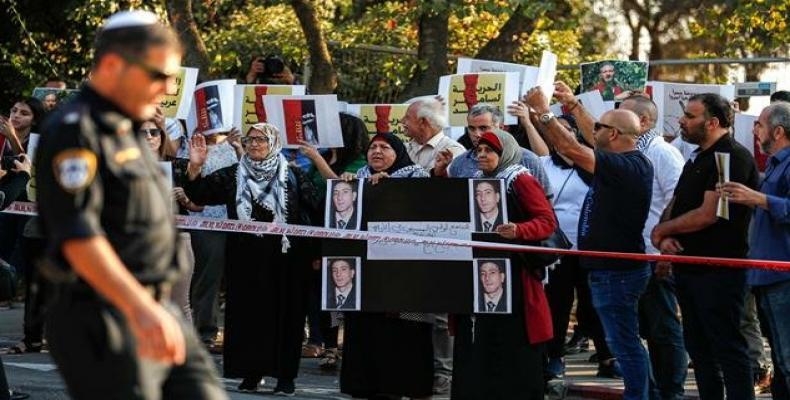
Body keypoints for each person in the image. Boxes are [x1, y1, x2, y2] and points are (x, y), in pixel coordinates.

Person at [34, 10, 227, 400]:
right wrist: (140, 310)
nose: (167, 87)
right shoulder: (77, 129)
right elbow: (78, 236)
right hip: (104, 314)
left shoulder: (129, 129)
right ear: (111, 65)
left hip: (154, 307)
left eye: (172, 77)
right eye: (157, 75)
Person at [526, 85, 654, 400]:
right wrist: (573, 106)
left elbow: (571, 149)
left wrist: (544, 113)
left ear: (613, 135)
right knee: (624, 341)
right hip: (608, 269)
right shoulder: (617, 154)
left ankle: (640, 395)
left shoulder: (628, 166)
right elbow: (591, 136)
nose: (592, 130)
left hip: (617, 271)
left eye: (599, 127)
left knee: (624, 343)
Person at [182, 122, 320, 395]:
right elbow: (199, 195)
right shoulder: (234, 174)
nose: (254, 144)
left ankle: (285, 378)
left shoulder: (292, 175)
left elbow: (314, 210)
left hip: (287, 258)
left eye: (261, 140)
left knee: (287, 316)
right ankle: (251, 373)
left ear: (274, 143)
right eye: (250, 140)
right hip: (246, 258)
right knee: (249, 315)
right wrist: (195, 167)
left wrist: (315, 253)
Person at [651, 93, 759, 400]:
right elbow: (678, 201)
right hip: (690, 267)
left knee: (726, 345)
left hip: (720, 269)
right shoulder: (697, 156)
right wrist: (664, 237)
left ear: (712, 122)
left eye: (691, 116)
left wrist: (662, 230)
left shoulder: (731, 157)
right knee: (698, 347)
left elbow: (710, 213)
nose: (682, 121)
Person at [451, 129, 556, 399]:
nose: (482, 156)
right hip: (481, 272)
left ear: (504, 152)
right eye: (479, 151)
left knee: (514, 340)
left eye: (489, 151)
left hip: (515, 276)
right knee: (484, 339)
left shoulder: (519, 179)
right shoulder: (477, 180)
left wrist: (519, 230)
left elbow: (546, 221)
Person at [521, 111, 618, 381]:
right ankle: (555, 358)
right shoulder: (542, 165)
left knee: (595, 304)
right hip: (557, 250)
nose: (559, 134)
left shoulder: (592, 165)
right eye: (554, 130)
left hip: (590, 247)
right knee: (557, 305)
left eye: (566, 130)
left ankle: (607, 356)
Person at [339, 132, 434, 400]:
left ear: (398, 152)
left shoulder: (416, 175)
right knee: (366, 323)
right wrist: (346, 186)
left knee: (407, 325)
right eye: (373, 147)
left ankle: (406, 385)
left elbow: (426, 209)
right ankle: (365, 384)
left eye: (385, 147)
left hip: (406, 269)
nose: (377, 152)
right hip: (368, 268)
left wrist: (392, 188)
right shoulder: (358, 177)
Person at [618, 94, 689, 400]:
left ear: (643, 122)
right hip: (630, 256)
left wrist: (664, 251)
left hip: (654, 256)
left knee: (663, 330)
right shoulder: (626, 153)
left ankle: (670, 391)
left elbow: (679, 200)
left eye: (621, 118)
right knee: (637, 331)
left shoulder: (663, 154)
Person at [718, 102, 790, 397]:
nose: (754, 129)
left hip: (781, 276)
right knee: (780, 360)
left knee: (787, 357)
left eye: (759, 124)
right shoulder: (774, 163)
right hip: (764, 274)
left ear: (778, 131)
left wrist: (759, 199)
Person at [439, 103, 552, 198]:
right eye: (472, 128)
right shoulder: (459, 163)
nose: (477, 134)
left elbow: (546, 202)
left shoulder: (527, 159)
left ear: (501, 128)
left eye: (483, 128)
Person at [401, 98, 465, 170]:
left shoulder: (452, 150)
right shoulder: (404, 148)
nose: (402, 121)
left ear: (422, 121)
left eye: (407, 117)